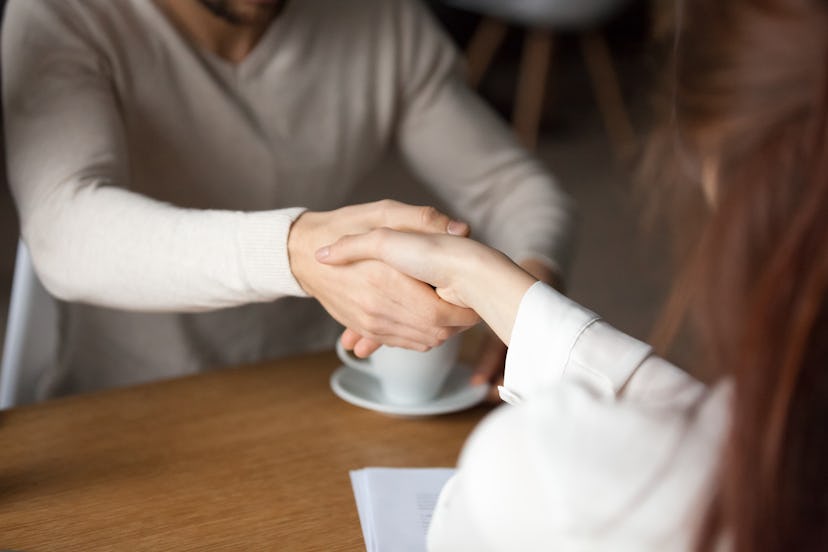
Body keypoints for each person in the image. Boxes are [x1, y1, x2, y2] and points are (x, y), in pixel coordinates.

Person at [316, 0, 828, 549]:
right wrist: (496, 286)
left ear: (710, 167)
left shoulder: (551, 470)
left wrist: (299, 249)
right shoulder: (778, 433)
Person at [1, 0, 572, 397]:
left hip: (317, 387)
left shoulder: (380, 20)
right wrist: (295, 250)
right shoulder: (64, 16)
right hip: (128, 400)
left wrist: (524, 299)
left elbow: (516, 189)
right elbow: (63, 230)